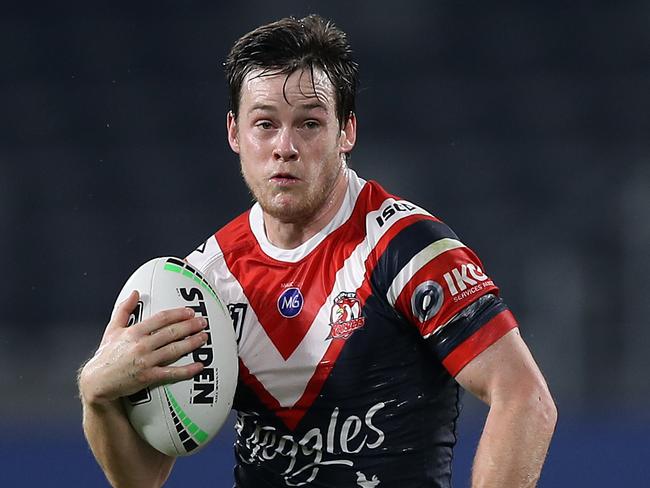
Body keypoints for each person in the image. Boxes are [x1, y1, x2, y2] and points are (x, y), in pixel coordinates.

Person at [78, 14, 557, 488]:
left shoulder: (407, 248)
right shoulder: (206, 279)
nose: (284, 146)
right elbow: (142, 478)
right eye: (264, 124)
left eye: (308, 123)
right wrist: (97, 394)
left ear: (346, 131)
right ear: (233, 133)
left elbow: (524, 398)